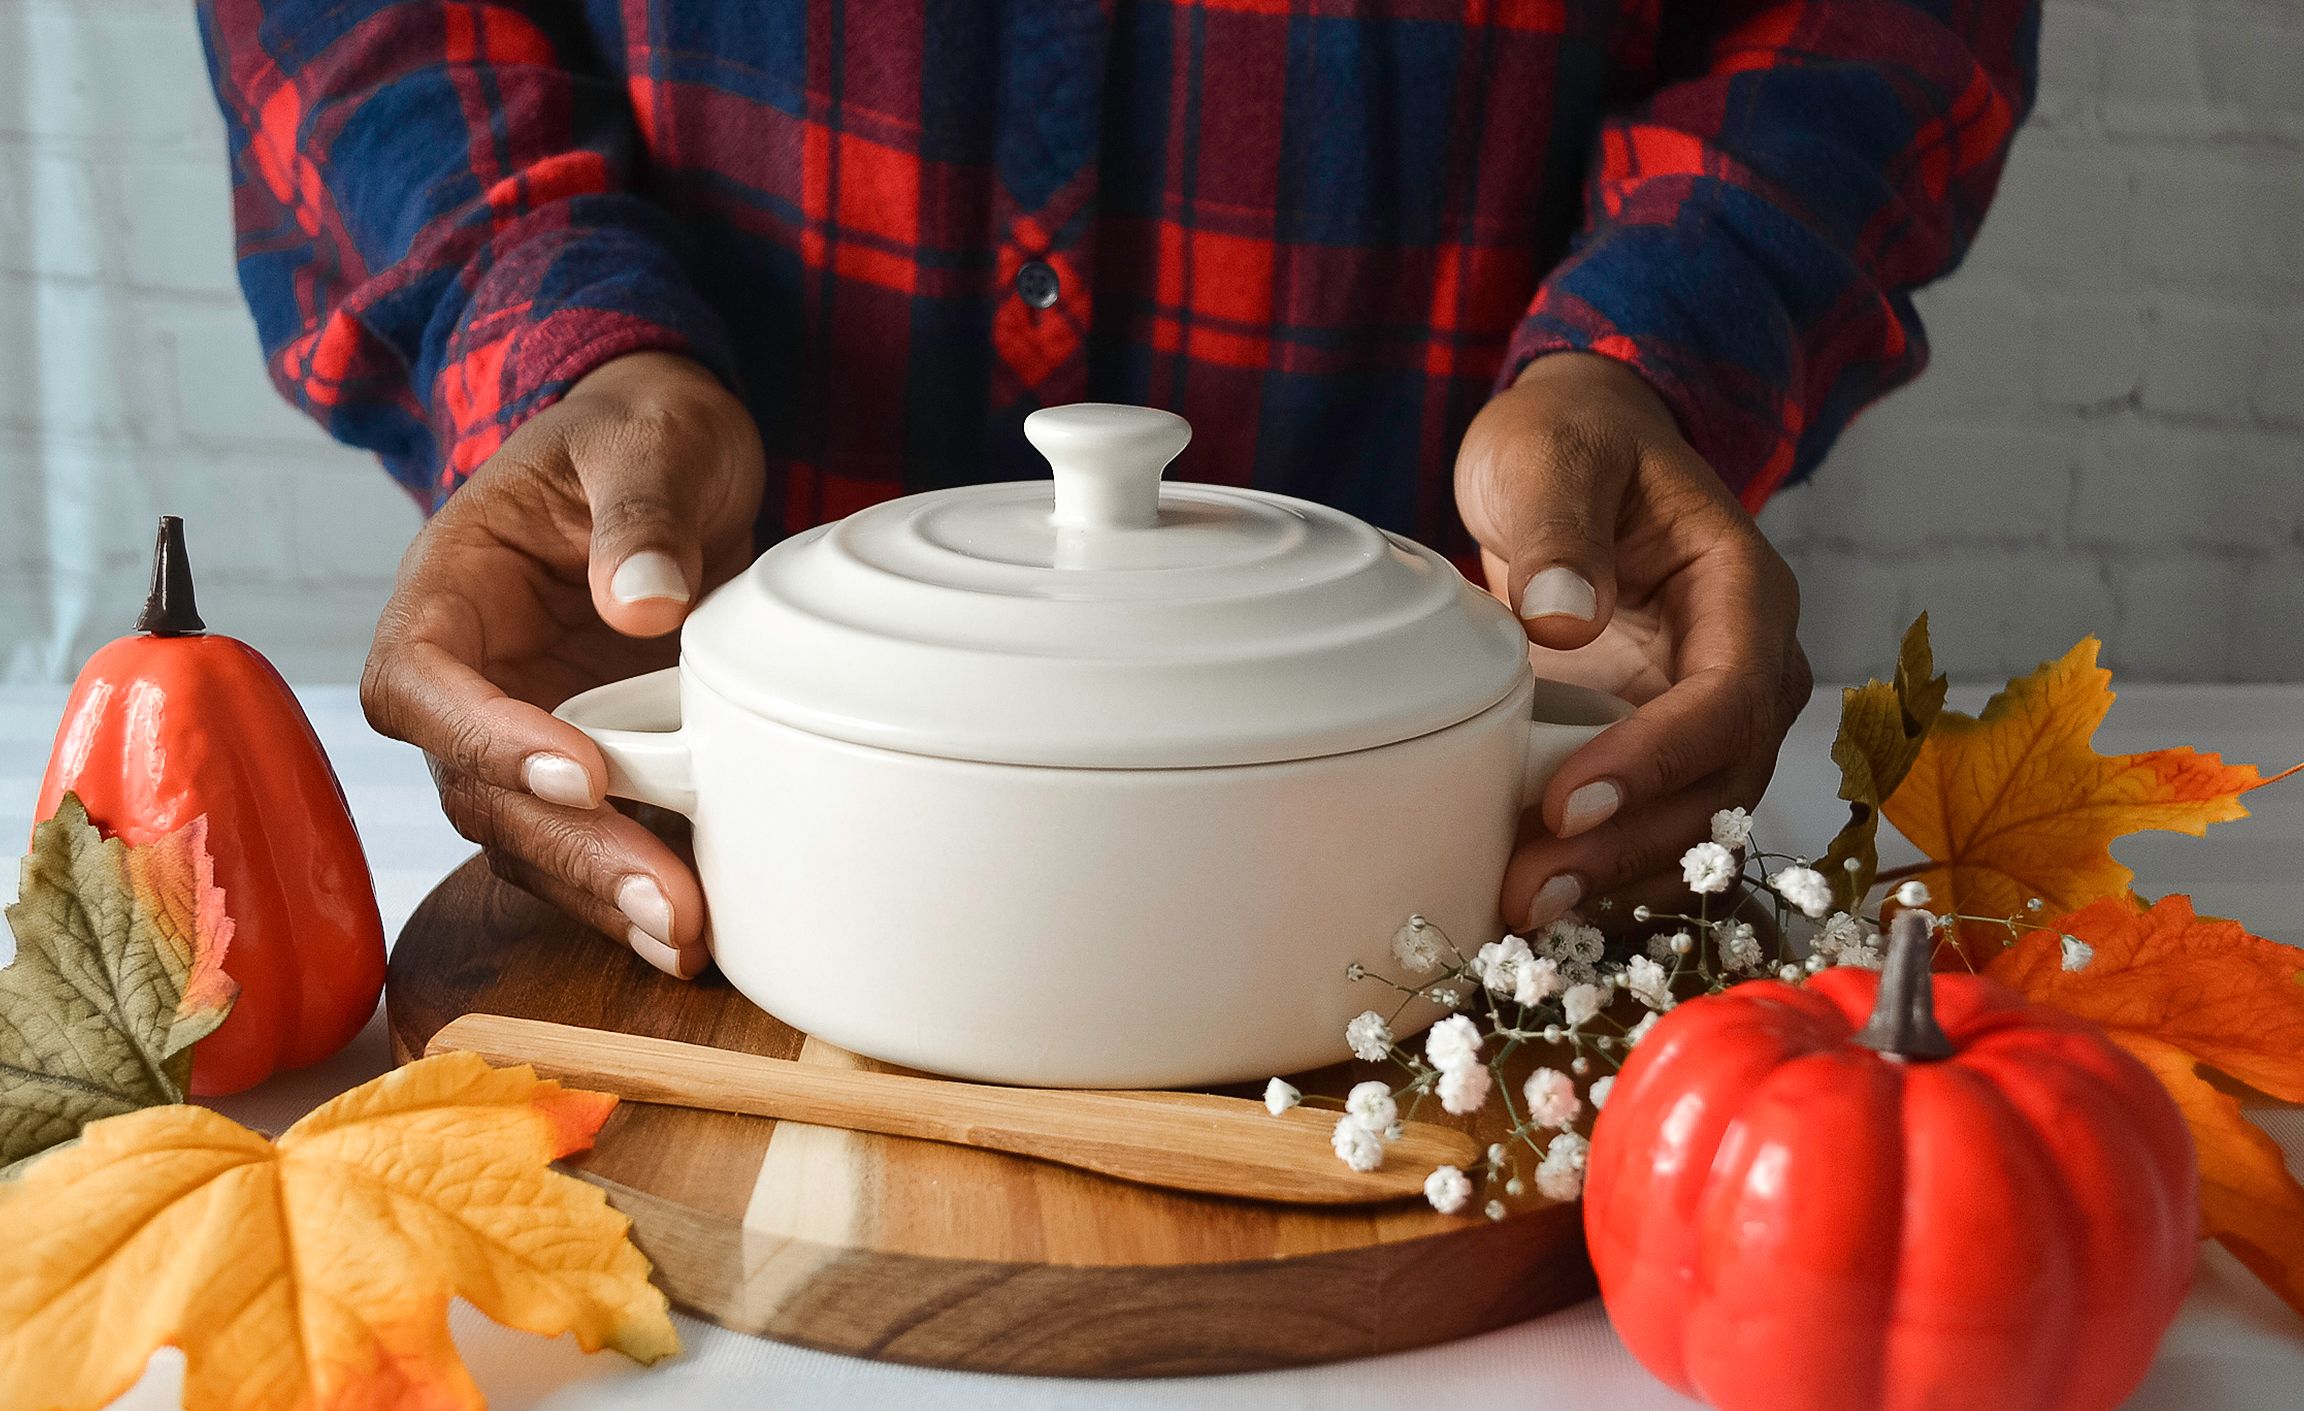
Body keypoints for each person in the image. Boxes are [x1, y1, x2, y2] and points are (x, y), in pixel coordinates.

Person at [199, 1, 2037, 978]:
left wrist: (1644, 356)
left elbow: (1878, 21)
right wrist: (564, 344)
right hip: (705, 550)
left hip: (1482, 660)